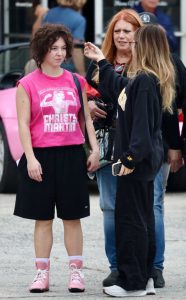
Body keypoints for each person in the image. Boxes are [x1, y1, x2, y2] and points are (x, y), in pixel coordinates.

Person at [84, 24, 175, 297]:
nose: (130, 46)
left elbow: (142, 131)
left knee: (131, 222)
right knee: (143, 219)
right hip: (142, 165)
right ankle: (144, 278)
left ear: (144, 47)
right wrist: (101, 59)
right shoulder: (143, 80)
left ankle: (132, 283)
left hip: (136, 165)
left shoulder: (146, 81)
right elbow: (118, 86)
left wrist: (129, 159)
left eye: (135, 43)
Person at [14, 23, 99, 294]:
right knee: (43, 219)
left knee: (73, 217)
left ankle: (76, 273)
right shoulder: (26, 84)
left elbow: (85, 117)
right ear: (42, 50)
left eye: (63, 48)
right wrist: (30, 158)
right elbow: (23, 125)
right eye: (54, 49)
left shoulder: (76, 80)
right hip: (40, 156)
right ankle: (42, 274)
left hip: (72, 154)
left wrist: (94, 149)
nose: (60, 53)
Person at [85, 8, 143, 287]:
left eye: (127, 31)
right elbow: (82, 98)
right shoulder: (98, 64)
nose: (121, 36)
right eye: (117, 31)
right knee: (109, 207)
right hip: (107, 145)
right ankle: (116, 265)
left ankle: (147, 267)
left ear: (137, 35)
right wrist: (88, 105)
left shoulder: (145, 65)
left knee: (142, 208)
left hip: (136, 145)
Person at [139, 12, 183, 289]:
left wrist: (176, 147)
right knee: (144, 206)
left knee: (153, 205)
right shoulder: (134, 67)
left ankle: (155, 265)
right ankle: (139, 265)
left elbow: (176, 110)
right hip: (142, 147)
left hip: (160, 147)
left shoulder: (174, 66)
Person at [42, 0, 87, 75]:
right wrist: (82, 74)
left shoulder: (50, 13)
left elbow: (39, 39)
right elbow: (76, 50)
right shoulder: (79, 19)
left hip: (45, 64)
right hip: (65, 66)